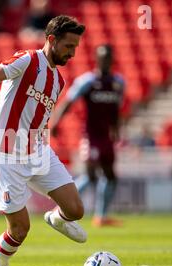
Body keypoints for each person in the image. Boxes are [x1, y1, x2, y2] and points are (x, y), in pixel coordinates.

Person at [0, 15, 87, 266]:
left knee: (75, 209)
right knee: (20, 229)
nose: (72, 52)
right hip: (5, 157)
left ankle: (57, 218)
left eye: (76, 47)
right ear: (51, 40)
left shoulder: (58, 81)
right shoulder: (28, 60)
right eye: (68, 46)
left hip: (38, 153)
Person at [50, 44, 125, 227]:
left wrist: (116, 130)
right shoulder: (87, 81)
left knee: (111, 176)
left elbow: (115, 109)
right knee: (91, 175)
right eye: (103, 57)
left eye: (109, 57)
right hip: (91, 137)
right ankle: (59, 209)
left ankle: (101, 216)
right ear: (97, 59)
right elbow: (69, 101)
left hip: (106, 138)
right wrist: (55, 123)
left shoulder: (119, 82)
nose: (106, 60)